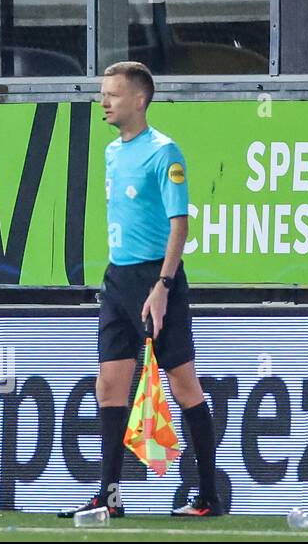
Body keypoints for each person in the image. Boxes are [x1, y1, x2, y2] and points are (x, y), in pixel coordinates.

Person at [60, 61, 222, 518]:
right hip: (118, 279)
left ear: (139, 99)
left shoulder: (164, 153)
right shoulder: (113, 152)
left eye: (111, 94)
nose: (104, 101)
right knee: (109, 384)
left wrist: (164, 286)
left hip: (158, 279)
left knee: (182, 383)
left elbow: (179, 225)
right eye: (102, 93)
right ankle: (108, 494)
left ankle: (208, 495)